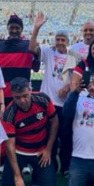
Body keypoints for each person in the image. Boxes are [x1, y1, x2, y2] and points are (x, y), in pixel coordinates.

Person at [29, 11, 77, 174]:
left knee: (66, 137)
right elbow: (32, 48)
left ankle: (65, 167)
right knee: (48, 136)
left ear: (68, 42)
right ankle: (49, 166)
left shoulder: (73, 57)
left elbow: (77, 78)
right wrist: (36, 28)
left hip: (65, 104)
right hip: (47, 103)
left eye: (63, 40)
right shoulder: (49, 52)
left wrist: (68, 86)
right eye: (58, 39)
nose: (60, 42)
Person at [1, 78, 58, 186]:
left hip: (40, 151)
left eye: (25, 96)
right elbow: (9, 146)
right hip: (19, 151)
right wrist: (17, 176)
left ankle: (37, 174)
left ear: (30, 90)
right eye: (17, 97)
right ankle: (20, 175)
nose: (22, 100)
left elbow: (55, 122)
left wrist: (48, 149)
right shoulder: (9, 113)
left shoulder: (43, 99)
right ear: (12, 95)